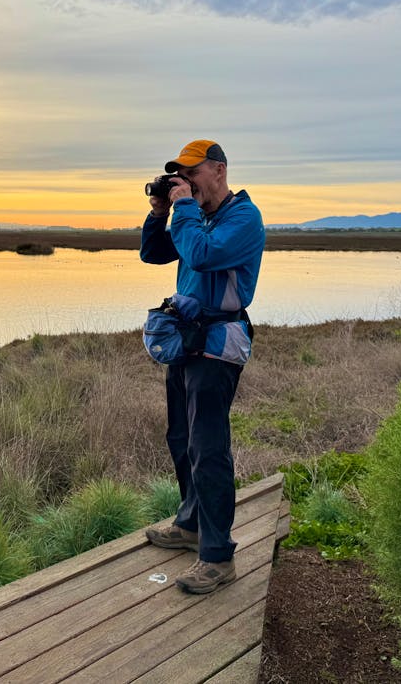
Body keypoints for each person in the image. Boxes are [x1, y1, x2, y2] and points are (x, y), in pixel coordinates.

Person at [140, 139, 265, 594]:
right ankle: (190, 524)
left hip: (217, 347)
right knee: (181, 438)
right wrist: (159, 212)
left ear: (219, 169)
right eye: (182, 176)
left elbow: (201, 255)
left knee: (209, 448)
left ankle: (217, 557)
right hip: (185, 341)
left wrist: (184, 208)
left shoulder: (242, 219)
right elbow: (154, 254)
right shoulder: (201, 217)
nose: (187, 182)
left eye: (193, 173)